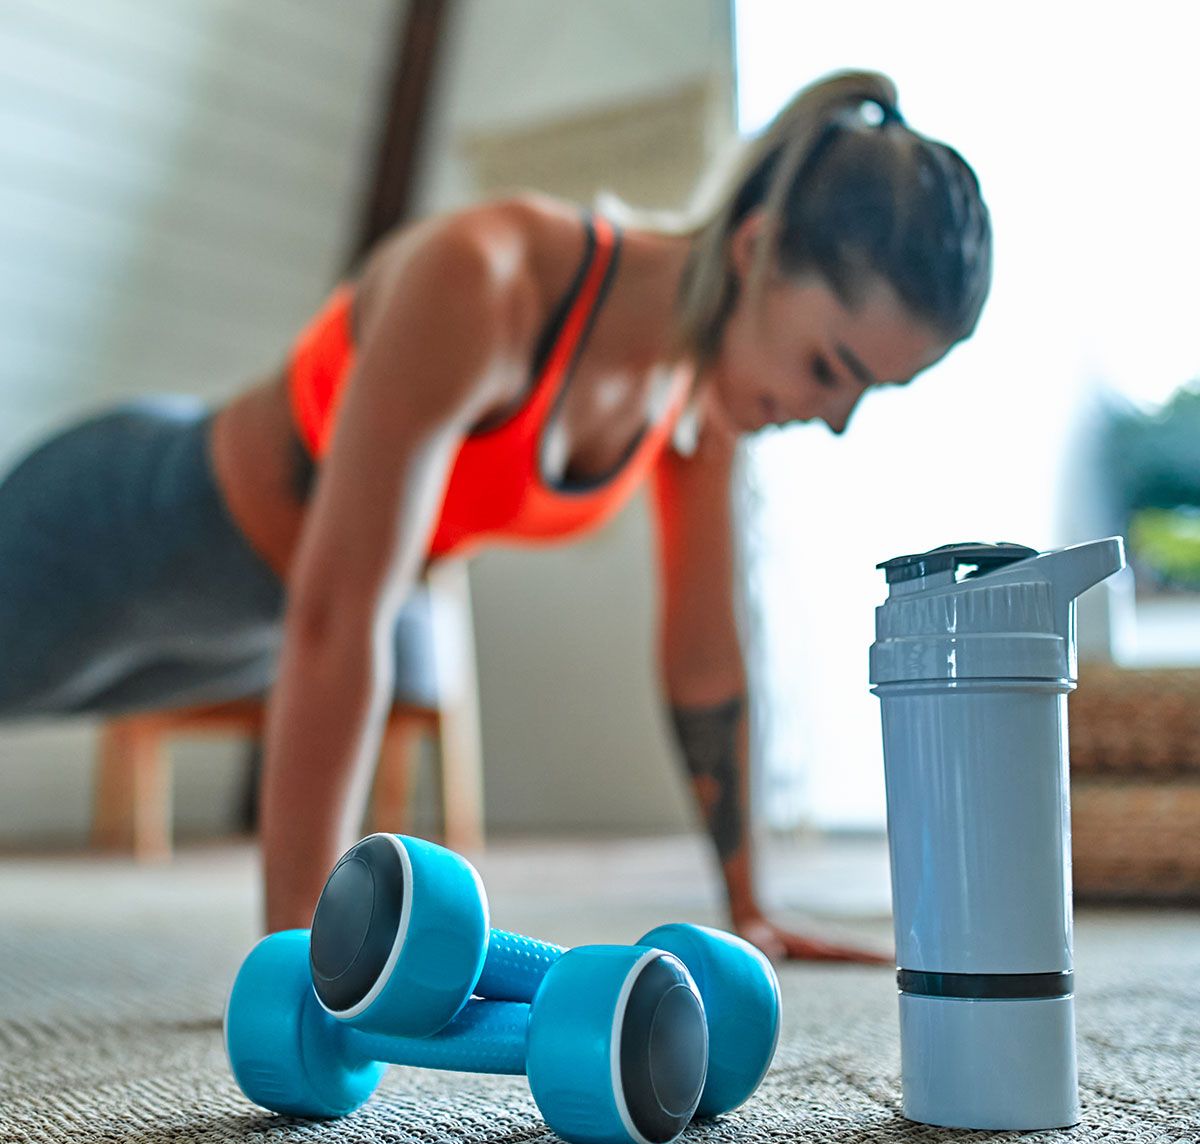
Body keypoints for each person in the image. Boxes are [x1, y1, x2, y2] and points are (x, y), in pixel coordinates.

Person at [0, 70, 990, 961]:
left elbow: (701, 660)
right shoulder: (485, 281)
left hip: (236, 636)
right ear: (755, 252)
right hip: (126, 530)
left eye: (870, 396)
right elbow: (342, 610)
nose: (834, 421)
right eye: (829, 368)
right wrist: (300, 953)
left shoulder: (698, 400)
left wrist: (749, 907)